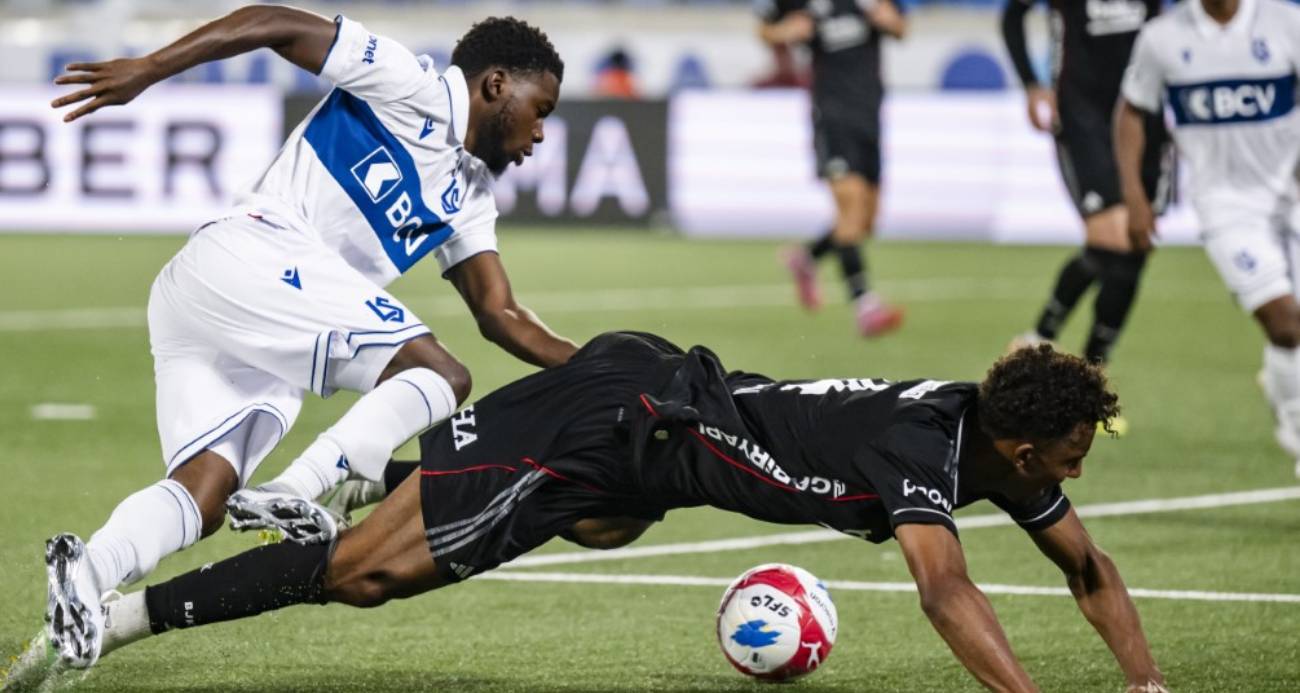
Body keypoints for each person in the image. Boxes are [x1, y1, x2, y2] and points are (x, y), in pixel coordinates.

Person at [36, 331, 1168, 692]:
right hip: (616, 421)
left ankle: (369, 480)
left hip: (646, 456)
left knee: (601, 527)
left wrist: (1146, 684)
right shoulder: (925, 448)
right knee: (363, 577)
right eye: (1073, 455)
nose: (1075, 474)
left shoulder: (1005, 450)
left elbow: (1089, 569)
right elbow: (944, 589)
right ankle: (123, 618)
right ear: (1024, 446)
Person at [40, 4, 579, 667]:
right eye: (541, 109)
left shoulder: (471, 197)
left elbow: (501, 313)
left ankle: (87, 571)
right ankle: (296, 491)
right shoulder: (408, 83)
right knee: (440, 374)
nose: (541, 133)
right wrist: (150, 69)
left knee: (203, 494)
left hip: (241, 311)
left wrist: (603, 364)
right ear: (496, 85)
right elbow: (276, 23)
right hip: (253, 255)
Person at [1115, 0, 1300, 474]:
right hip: (1226, 206)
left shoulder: (1286, 22)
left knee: (1292, 334)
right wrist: (1134, 197)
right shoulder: (1162, 37)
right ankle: (1296, 427)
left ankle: (1282, 386)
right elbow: (1131, 113)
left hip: (1294, 193)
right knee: (1285, 322)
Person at [1001, 0, 1172, 365]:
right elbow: (1013, 15)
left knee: (1135, 247)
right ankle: (1042, 338)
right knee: (1112, 237)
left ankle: (1091, 369)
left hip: (1147, 113)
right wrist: (1031, 84)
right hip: (1083, 113)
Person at [757, 0, 907, 337]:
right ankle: (865, 304)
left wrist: (889, 20)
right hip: (831, 114)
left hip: (869, 114)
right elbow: (764, 30)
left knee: (865, 222)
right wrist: (785, 31)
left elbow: (901, 28)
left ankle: (808, 258)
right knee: (850, 204)